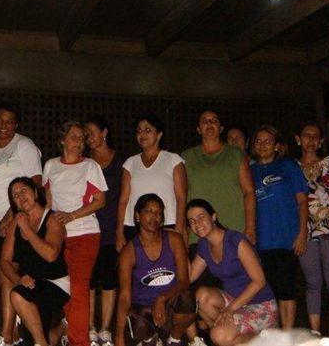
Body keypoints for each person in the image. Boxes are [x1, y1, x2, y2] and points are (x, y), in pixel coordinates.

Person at [0, 102, 42, 346]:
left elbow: (36, 182)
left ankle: (7, 334)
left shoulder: (24, 145)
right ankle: (14, 330)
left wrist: (12, 213)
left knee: (7, 271)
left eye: (9, 121)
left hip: (15, 219)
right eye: (0, 120)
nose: (4, 125)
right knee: (3, 274)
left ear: (16, 124)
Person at [44, 120, 107, 346]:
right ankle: (72, 334)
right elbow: (48, 202)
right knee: (64, 286)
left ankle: (79, 342)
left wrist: (72, 215)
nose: (78, 142)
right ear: (62, 140)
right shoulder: (50, 165)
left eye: (82, 138)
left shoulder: (90, 166)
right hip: (59, 236)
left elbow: (100, 201)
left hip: (85, 233)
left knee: (79, 288)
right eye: (73, 136)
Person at [187, 199, 277, 346]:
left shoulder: (235, 241)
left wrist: (230, 309)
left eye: (201, 217)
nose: (197, 223)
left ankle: (268, 340)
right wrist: (179, 244)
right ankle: (234, 338)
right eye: (192, 221)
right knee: (201, 297)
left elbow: (259, 281)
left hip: (260, 305)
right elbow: (189, 277)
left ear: (213, 217)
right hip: (233, 300)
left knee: (218, 335)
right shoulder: (204, 245)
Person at [115, 194, 195, 346]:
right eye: (149, 211)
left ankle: (175, 339)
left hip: (169, 305)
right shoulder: (129, 251)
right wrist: (118, 337)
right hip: (145, 308)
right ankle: (151, 340)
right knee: (137, 320)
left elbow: (184, 281)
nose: (154, 217)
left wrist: (162, 298)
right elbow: (124, 296)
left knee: (187, 300)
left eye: (158, 213)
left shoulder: (174, 240)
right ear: (137, 216)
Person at [250, 125, 308, 330]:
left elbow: (302, 201)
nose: (263, 145)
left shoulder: (288, 165)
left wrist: (302, 234)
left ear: (276, 145)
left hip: (286, 239)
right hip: (260, 242)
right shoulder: (249, 170)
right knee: (267, 292)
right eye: (258, 141)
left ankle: (287, 335)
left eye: (268, 141)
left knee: (286, 290)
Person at [0, 177, 69, 346]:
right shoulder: (16, 223)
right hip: (30, 285)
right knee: (30, 340)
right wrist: (18, 279)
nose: (20, 196)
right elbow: (4, 261)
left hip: (56, 283)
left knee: (17, 295)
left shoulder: (53, 218)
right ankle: (60, 329)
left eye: (24, 190)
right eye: (15, 195)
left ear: (36, 193)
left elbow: (51, 255)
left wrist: (27, 230)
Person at [296, 121, 329, 337]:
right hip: (304, 233)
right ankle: (315, 331)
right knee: (312, 282)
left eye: (315, 136)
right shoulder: (292, 167)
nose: (311, 140)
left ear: (321, 141)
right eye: (306, 135)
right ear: (298, 139)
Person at [181, 111, 255, 245]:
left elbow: (248, 191)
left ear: (220, 128)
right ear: (198, 129)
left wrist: (250, 228)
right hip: (199, 232)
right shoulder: (186, 157)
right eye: (205, 121)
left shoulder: (236, 154)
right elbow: (182, 196)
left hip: (233, 229)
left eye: (214, 121)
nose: (209, 123)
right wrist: (183, 229)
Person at [118, 114, 187, 251]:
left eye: (147, 130)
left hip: (167, 223)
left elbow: (181, 197)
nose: (142, 134)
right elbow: (123, 200)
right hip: (135, 225)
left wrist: (179, 229)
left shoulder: (173, 160)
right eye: (139, 131)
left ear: (159, 134)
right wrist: (119, 232)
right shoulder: (130, 163)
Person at [84, 116, 123, 346]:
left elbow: (125, 198)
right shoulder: (84, 161)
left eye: (92, 132)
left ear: (104, 132)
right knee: (88, 279)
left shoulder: (120, 162)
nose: (88, 137)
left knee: (109, 278)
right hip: (87, 228)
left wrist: (120, 231)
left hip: (111, 228)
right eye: (85, 133)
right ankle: (89, 326)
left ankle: (105, 328)